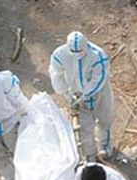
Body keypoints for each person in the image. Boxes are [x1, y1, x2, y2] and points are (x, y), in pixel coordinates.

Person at [48, 31, 114, 161]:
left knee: (105, 120)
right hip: (75, 94)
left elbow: (98, 79)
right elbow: (56, 75)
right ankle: (89, 155)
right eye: (74, 52)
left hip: (99, 92)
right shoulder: (59, 55)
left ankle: (105, 147)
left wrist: (85, 94)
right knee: (84, 128)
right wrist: (66, 93)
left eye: (81, 52)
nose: (78, 55)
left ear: (86, 45)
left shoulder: (98, 55)